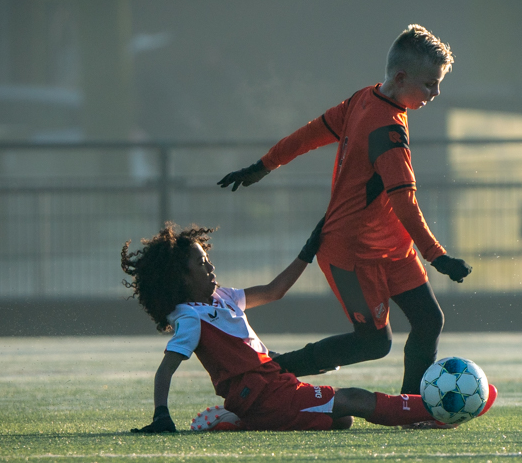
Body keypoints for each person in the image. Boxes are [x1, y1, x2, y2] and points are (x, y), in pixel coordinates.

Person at [217, 24, 471, 395]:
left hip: (392, 248)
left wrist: (263, 166)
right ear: (401, 77)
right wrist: (438, 256)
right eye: (430, 84)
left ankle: (412, 405)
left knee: (429, 320)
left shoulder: (363, 99)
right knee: (373, 342)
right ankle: (273, 371)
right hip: (350, 253)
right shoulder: (387, 132)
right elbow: (405, 202)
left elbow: (307, 135)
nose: (436, 93)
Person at [121, 222, 495, 433]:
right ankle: (437, 412)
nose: (210, 268)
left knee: (342, 420)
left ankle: (239, 423)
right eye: (201, 265)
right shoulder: (189, 316)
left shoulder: (222, 298)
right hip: (261, 391)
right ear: (180, 278)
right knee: (353, 399)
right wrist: (160, 415)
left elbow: (273, 291)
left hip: (273, 385)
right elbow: (167, 366)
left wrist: (307, 252)